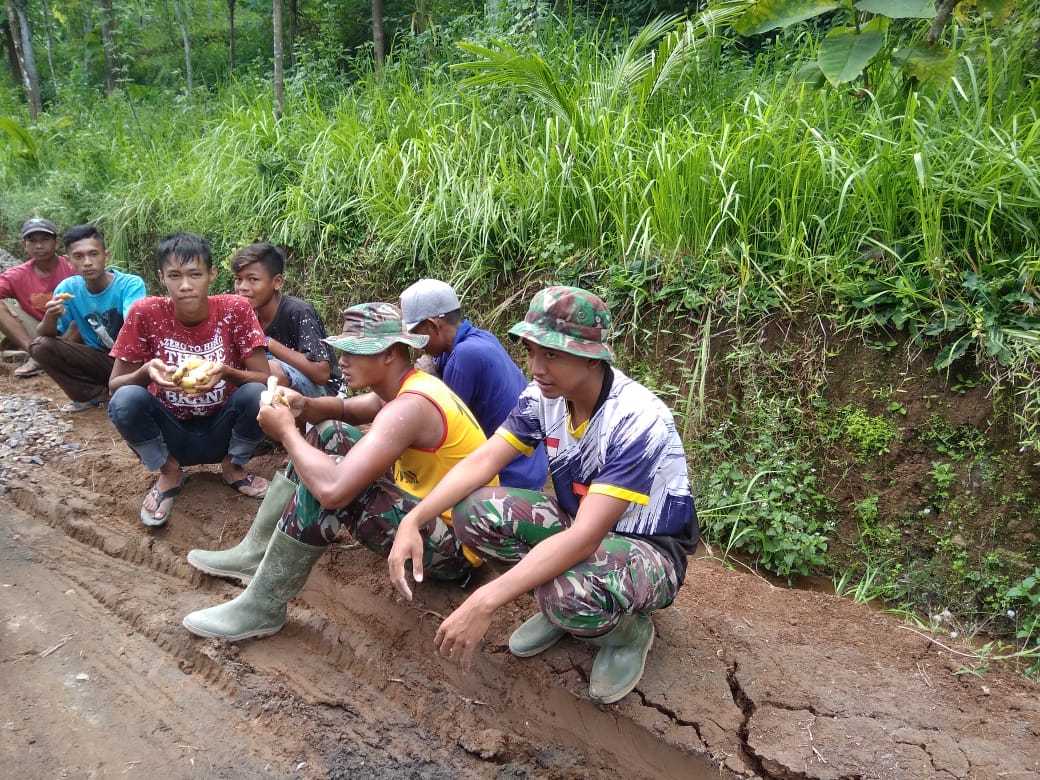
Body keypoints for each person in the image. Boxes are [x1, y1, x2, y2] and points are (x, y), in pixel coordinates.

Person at [388, 286, 699, 705]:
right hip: (581, 526)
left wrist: (485, 600)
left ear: (593, 355)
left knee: (568, 591)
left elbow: (584, 539)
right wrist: (414, 518)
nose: (536, 367)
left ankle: (628, 633)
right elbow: (482, 462)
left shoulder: (638, 421)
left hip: (650, 548)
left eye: (551, 354)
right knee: (475, 512)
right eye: (532, 351)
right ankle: (560, 608)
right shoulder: (545, 397)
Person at [182, 302, 493, 642]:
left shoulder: (410, 406)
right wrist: (303, 405)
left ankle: (263, 605)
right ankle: (254, 554)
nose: (341, 360)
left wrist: (287, 432)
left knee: (330, 484)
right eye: (341, 350)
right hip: (429, 518)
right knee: (330, 430)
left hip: (455, 549)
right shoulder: (406, 386)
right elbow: (345, 409)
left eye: (353, 351)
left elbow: (333, 491)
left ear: (389, 354)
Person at [107, 232, 271, 528]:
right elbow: (115, 386)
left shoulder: (236, 309)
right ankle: (169, 472)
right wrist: (146, 372)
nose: (185, 286)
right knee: (126, 400)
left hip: (223, 427)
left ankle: (233, 466)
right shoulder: (145, 312)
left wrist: (227, 372)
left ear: (211, 275)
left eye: (195, 274)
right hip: (171, 432)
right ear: (161, 277)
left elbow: (265, 377)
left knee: (257, 393)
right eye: (174, 275)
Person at [400, 278, 548, 490]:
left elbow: (445, 420)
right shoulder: (474, 340)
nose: (416, 344)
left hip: (510, 478)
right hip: (529, 468)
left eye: (416, 334)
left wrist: (430, 376)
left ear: (433, 326)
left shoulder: (465, 355)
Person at [30, 224, 146, 413]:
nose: (87, 262)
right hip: (100, 359)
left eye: (93, 254)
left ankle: (122, 389)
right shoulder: (68, 288)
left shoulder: (129, 284)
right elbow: (46, 333)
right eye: (79, 256)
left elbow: (136, 326)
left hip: (131, 361)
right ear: (68, 261)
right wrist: (51, 316)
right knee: (39, 345)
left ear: (105, 256)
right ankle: (92, 394)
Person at [230, 241, 341, 397]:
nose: (242, 287)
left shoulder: (298, 312)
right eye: (238, 279)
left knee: (270, 371)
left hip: (328, 394)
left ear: (277, 282)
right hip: (281, 388)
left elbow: (322, 374)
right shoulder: (245, 315)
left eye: (253, 279)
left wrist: (268, 342)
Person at [0, 217, 75, 378]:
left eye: (45, 239)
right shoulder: (17, 275)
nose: (39, 246)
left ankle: (58, 355)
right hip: (39, 332)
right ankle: (36, 354)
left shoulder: (72, 267)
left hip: (72, 332)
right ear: (24, 245)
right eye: (32, 241)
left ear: (57, 243)